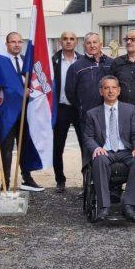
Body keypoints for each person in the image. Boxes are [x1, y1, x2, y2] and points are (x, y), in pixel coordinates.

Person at [82, 76, 135, 222]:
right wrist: (96, 148)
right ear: (101, 92)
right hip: (105, 151)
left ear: (119, 90)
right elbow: (87, 137)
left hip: (125, 151)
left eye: (113, 88)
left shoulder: (129, 110)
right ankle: (104, 206)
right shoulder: (92, 113)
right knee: (98, 159)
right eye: (106, 88)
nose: (110, 91)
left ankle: (130, 205)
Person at [0, 31, 43, 192]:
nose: (17, 44)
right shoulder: (1, 62)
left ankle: (27, 178)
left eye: (19, 42)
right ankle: (6, 182)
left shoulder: (27, 61)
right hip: (8, 113)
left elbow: (36, 83)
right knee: (7, 149)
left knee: (26, 146)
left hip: (26, 112)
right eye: (13, 42)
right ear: (7, 44)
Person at [51, 31, 82, 192]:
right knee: (58, 146)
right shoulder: (53, 61)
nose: (68, 42)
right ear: (60, 42)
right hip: (61, 108)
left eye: (72, 39)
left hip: (79, 109)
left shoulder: (83, 60)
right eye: (65, 39)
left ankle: (88, 180)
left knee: (86, 145)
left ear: (76, 42)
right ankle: (60, 180)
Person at [67, 32, 113, 126]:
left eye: (95, 42)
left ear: (101, 44)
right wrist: (82, 107)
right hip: (87, 117)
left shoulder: (112, 63)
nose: (92, 45)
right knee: (88, 141)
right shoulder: (76, 67)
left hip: (110, 114)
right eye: (88, 43)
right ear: (84, 46)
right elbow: (70, 93)